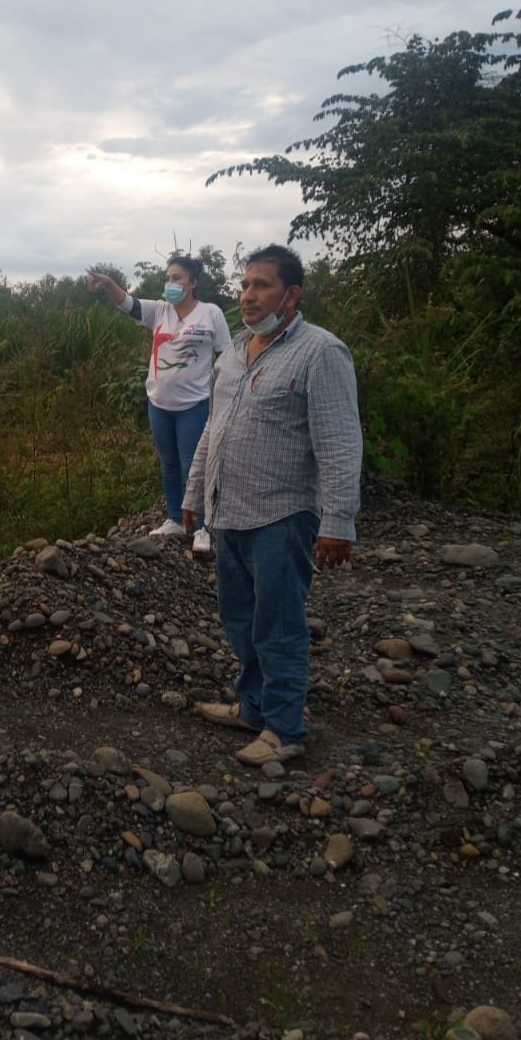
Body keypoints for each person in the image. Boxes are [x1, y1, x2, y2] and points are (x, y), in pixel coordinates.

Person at [183, 244, 362, 766]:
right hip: (229, 512)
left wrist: (338, 521)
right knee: (239, 618)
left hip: (282, 517)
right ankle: (254, 708)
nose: (248, 295)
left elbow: (339, 442)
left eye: (262, 285)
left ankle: (284, 730)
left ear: (291, 294)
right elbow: (213, 430)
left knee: (279, 627)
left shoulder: (320, 352)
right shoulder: (233, 352)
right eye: (245, 285)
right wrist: (194, 493)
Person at [87, 256, 229, 554]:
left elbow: (226, 358)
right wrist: (109, 284)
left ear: (192, 282)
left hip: (195, 403)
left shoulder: (210, 313)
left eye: (177, 278)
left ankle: (201, 527)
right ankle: (175, 518)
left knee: (194, 465)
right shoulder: (160, 310)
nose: (170, 284)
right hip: (159, 403)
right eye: (168, 278)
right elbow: (129, 304)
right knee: (169, 464)